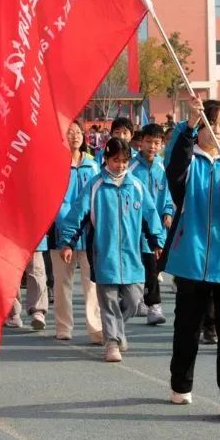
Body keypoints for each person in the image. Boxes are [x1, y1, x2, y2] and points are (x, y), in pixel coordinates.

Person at [163, 96, 220, 423]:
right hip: (191, 258)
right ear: (199, 128)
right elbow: (173, 169)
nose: (216, 130)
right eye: (209, 124)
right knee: (187, 325)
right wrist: (187, 124)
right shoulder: (190, 162)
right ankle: (180, 383)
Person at [59, 138, 165, 362]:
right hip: (103, 255)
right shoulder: (96, 186)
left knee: (135, 301)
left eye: (125, 161)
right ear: (106, 159)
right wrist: (68, 243)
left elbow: (150, 215)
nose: (121, 165)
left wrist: (157, 241)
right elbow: (77, 215)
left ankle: (116, 330)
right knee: (107, 302)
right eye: (116, 160)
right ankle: (112, 342)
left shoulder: (136, 186)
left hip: (132, 256)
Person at [50, 120, 102, 343]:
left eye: (78, 132)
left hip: (88, 233)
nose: (75, 136)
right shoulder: (54, 165)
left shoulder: (93, 166)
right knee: (62, 282)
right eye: (69, 133)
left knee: (92, 283)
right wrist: (63, 225)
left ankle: (96, 328)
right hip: (62, 233)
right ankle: (63, 327)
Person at [128, 123, 174, 326]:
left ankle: (153, 305)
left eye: (156, 142)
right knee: (138, 265)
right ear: (140, 142)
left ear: (162, 144)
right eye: (148, 141)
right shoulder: (131, 168)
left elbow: (168, 195)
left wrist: (167, 212)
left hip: (156, 229)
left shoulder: (163, 168)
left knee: (153, 266)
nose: (152, 146)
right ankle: (142, 300)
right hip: (135, 227)